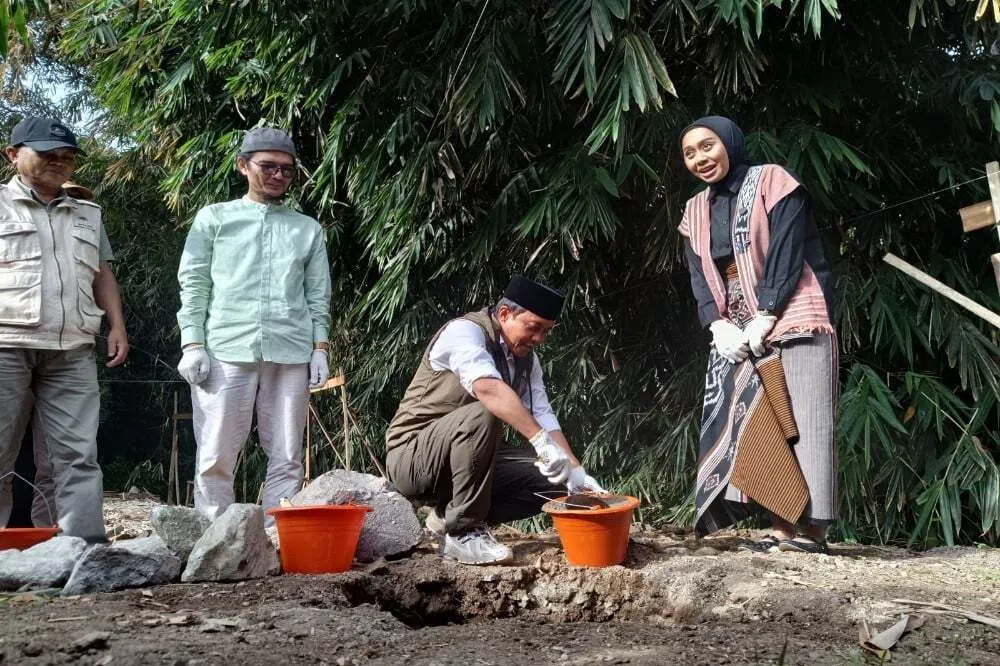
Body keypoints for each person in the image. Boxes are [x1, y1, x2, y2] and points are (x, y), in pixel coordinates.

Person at [677, 115, 838, 554]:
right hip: (735, 323)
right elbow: (698, 274)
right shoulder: (694, 211)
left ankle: (812, 532)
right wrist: (716, 324)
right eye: (689, 153)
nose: (699, 158)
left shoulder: (773, 181)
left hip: (793, 306)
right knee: (758, 421)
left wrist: (767, 311)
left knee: (805, 417)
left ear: (730, 142)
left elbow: (788, 249)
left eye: (707, 146)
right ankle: (780, 527)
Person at [385, 276, 606, 565]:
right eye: (534, 327)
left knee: (554, 481)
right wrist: (541, 442)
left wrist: (576, 473)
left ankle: (446, 518)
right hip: (412, 459)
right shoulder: (465, 332)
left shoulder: (528, 361)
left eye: (546, 331)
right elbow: (487, 388)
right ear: (504, 314)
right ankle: (464, 532)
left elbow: (543, 414)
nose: (539, 339)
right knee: (485, 410)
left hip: (469, 461)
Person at [176, 126, 332, 523]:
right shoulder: (214, 218)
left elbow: (318, 295)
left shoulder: (307, 229)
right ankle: (215, 536)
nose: (278, 175)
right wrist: (192, 343)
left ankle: (278, 537)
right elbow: (194, 283)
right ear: (243, 165)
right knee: (215, 453)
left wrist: (320, 348)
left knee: (287, 454)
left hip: (291, 350)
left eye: (287, 169)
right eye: (268, 166)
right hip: (226, 346)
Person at [0, 117, 129, 541]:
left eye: (67, 156)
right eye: (47, 153)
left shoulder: (88, 213)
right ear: (13, 154)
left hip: (73, 348)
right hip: (6, 344)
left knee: (77, 455)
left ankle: (84, 550)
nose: (58, 161)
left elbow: (102, 274)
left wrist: (117, 325)